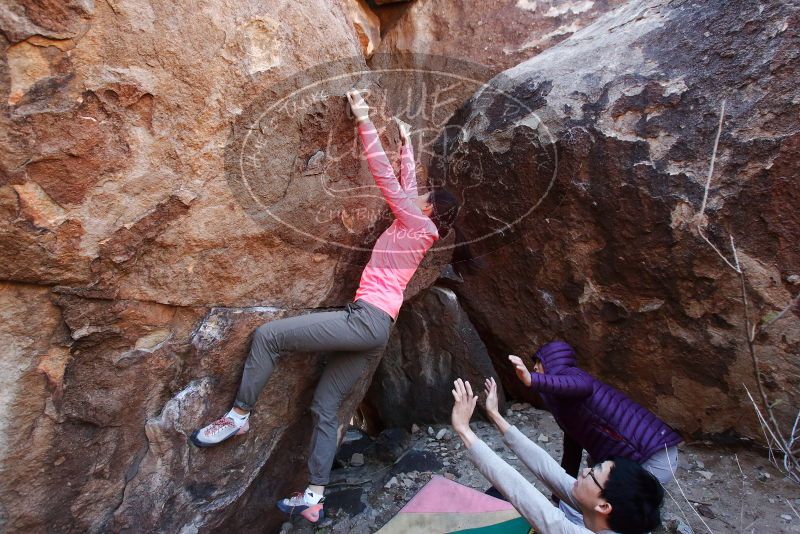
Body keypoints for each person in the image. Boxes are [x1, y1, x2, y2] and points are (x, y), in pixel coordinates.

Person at [190, 90, 463, 524]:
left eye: (425, 195)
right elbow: (407, 185)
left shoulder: (415, 222)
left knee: (269, 337)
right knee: (324, 408)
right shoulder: (419, 225)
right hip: (377, 328)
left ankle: (239, 414)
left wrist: (363, 119)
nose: (417, 193)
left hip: (365, 319)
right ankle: (314, 495)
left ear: (428, 209)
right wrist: (408, 144)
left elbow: (387, 181)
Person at [451, 377, 665, 534]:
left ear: (604, 507)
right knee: (498, 494)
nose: (585, 470)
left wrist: (464, 430)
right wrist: (496, 416)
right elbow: (548, 469)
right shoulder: (613, 519)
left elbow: (521, 492)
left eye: (593, 473)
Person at [508, 341, 682, 525]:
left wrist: (532, 380)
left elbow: (582, 384)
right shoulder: (566, 406)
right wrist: (558, 496)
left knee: (599, 506)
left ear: (553, 363)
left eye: (539, 363)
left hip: (652, 457)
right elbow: (572, 452)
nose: (534, 368)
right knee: (590, 480)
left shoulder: (574, 377)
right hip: (640, 457)